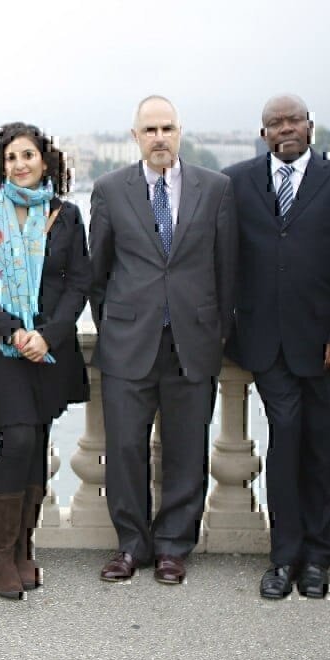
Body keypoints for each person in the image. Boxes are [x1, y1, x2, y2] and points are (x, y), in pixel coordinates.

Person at [224, 94, 330, 599]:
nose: (284, 129)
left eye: (293, 120)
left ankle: (318, 557)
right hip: (266, 345)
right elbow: (227, 263)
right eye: (274, 123)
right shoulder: (238, 182)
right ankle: (283, 558)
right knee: (284, 442)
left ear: (310, 126)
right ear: (263, 132)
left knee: (324, 448)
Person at [88, 95, 236, 586]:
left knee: (186, 449)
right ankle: (131, 546)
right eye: (149, 129)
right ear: (135, 137)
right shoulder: (110, 190)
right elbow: (98, 272)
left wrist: (217, 333)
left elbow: (226, 270)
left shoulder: (215, 189)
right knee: (126, 449)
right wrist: (115, 324)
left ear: (180, 133)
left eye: (167, 128)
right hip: (128, 343)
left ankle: (174, 547)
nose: (159, 137)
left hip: (192, 344)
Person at [0, 123, 91, 598]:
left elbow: (79, 284)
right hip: (3, 349)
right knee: (17, 439)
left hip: (49, 351)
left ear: (45, 160)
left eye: (28, 155)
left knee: (38, 444)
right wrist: (13, 329)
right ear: (0, 166)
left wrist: (48, 336)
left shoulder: (67, 216)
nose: (20, 164)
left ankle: (24, 550)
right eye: (11, 157)